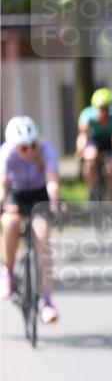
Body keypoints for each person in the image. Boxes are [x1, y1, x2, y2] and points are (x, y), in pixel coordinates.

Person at [0, 117, 61, 323]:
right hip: (16, 194)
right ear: (14, 146)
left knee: (42, 235)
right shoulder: (6, 153)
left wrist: (54, 202)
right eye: (23, 148)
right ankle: (7, 272)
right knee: (10, 223)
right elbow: (3, 184)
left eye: (32, 145)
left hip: (39, 194)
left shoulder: (46, 151)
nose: (29, 151)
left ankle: (47, 300)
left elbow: (52, 180)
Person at [77, 88, 112, 202]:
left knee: (111, 170)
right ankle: (93, 191)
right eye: (100, 109)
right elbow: (83, 135)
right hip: (94, 140)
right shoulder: (87, 115)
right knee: (90, 158)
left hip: (109, 142)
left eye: (106, 108)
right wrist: (80, 150)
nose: (103, 112)